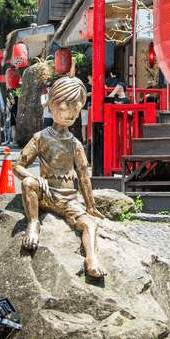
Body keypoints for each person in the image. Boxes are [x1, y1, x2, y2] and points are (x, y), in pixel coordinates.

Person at [13, 76, 106, 278]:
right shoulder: (41, 137)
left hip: (69, 199)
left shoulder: (75, 144)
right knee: (29, 183)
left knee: (89, 224)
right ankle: (33, 223)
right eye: (65, 107)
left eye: (76, 108)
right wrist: (36, 179)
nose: (71, 113)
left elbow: (83, 177)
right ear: (52, 106)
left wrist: (90, 206)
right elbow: (18, 166)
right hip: (46, 194)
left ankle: (91, 259)